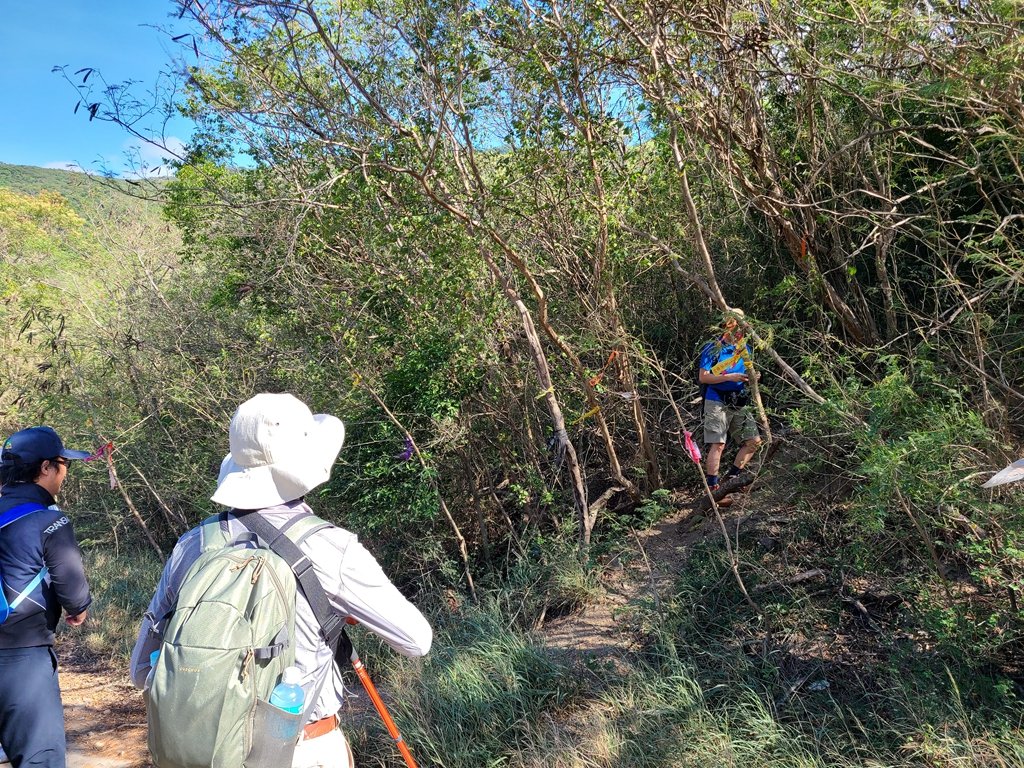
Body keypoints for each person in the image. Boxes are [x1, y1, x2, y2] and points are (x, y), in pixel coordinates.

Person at [130, 393, 432, 768]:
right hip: (300, 749)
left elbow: (140, 670)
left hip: (208, 753)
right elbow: (416, 640)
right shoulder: (331, 548)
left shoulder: (192, 546)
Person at [0, 427, 93, 768]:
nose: (65, 472)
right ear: (45, 468)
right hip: (21, 655)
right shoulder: (48, 520)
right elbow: (73, 589)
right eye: (63, 463)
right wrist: (78, 609)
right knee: (40, 758)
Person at [698, 311, 763, 498]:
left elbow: (749, 373)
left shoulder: (744, 348)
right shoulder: (714, 348)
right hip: (716, 399)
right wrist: (728, 377)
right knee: (718, 443)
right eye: (735, 324)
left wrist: (754, 378)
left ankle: (732, 478)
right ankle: (712, 489)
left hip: (738, 400)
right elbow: (703, 377)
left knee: (753, 442)